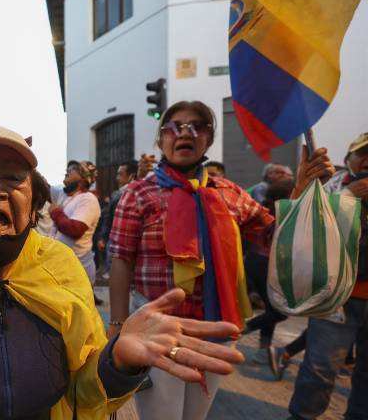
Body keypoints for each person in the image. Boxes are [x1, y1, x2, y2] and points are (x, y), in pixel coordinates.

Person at [0, 124, 245, 420]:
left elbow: (84, 395)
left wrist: (117, 365)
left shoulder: (60, 268)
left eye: (12, 178)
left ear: (34, 205)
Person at [107, 101, 334, 420]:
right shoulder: (138, 193)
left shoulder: (230, 193)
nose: (184, 132)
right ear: (161, 141)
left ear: (208, 139)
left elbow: (276, 238)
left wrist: (302, 187)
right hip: (158, 329)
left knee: (195, 417)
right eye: (173, 127)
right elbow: (121, 261)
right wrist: (118, 326)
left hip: (216, 329)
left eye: (196, 126)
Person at [287, 132, 368, 420]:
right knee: (319, 369)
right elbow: (303, 228)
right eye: (364, 153)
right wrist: (346, 199)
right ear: (349, 159)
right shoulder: (331, 187)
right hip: (337, 296)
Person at [242, 180, 295, 363]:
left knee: (272, 309)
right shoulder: (282, 214)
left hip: (258, 263)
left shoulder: (267, 210)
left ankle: (263, 350)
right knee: (280, 311)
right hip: (265, 264)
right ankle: (241, 329)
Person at [49, 160, 102, 304]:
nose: (67, 170)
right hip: (59, 271)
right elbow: (41, 184)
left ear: (83, 179)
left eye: (73, 169)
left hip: (78, 274)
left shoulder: (88, 199)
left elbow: (75, 230)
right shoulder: (63, 194)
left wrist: (56, 212)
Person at [95, 160, 138, 266]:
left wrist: (103, 237)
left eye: (120, 174)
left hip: (119, 242)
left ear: (131, 176)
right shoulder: (121, 193)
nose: (117, 178)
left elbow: (109, 218)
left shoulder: (121, 194)